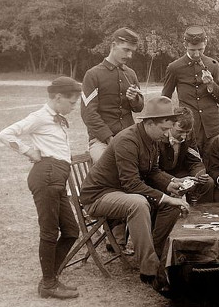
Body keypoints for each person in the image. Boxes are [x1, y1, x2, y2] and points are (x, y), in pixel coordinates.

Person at [79, 96, 189, 287]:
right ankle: (150, 270)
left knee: (170, 204)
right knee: (138, 203)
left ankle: (158, 255)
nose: (166, 135)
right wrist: (165, 198)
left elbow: (152, 171)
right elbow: (131, 184)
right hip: (99, 196)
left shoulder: (151, 138)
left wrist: (170, 183)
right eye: (163, 129)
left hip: (121, 193)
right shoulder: (127, 140)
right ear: (149, 123)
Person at [0, 77, 82, 299]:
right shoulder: (39, 117)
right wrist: (28, 151)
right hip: (46, 176)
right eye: (72, 103)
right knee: (50, 232)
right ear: (58, 97)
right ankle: (49, 283)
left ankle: (50, 279)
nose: (74, 107)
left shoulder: (57, 118)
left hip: (57, 177)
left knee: (72, 231)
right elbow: (5, 134)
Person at [81, 27, 144, 253]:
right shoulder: (93, 74)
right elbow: (89, 114)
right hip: (101, 141)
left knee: (138, 175)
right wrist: (111, 138)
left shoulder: (130, 73)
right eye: (125, 50)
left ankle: (130, 236)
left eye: (132, 51)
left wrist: (135, 99)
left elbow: (138, 107)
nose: (129, 55)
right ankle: (115, 238)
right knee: (114, 176)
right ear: (113, 45)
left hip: (127, 139)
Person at [161, 26, 219, 156]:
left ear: (206, 43)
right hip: (188, 129)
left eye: (200, 49)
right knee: (192, 164)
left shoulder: (213, 65)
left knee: (214, 164)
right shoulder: (174, 68)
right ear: (185, 45)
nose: (197, 54)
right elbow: (165, 99)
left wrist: (211, 84)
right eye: (192, 50)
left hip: (212, 128)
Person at [158, 106, 214, 204]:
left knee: (207, 182)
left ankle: (201, 213)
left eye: (187, 132)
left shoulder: (189, 135)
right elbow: (154, 170)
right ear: (170, 125)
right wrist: (172, 180)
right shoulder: (159, 137)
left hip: (181, 172)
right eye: (180, 131)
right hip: (161, 174)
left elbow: (195, 160)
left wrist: (199, 175)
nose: (184, 136)